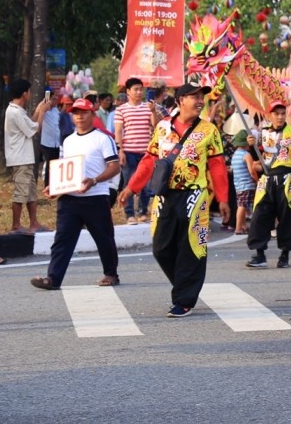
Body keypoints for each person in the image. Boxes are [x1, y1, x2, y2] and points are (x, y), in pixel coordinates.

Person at [118, 83, 230, 317]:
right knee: (161, 247)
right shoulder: (162, 127)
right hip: (165, 195)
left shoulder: (209, 130)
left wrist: (222, 199)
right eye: (194, 97)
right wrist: (131, 187)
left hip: (195, 195)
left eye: (201, 97)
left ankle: (184, 299)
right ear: (180, 100)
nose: (200, 101)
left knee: (192, 248)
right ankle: (183, 285)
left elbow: (217, 166)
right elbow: (149, 160)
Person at [30, 98, 121, 290]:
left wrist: (94, 180)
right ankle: (53, 278)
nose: (79, 116)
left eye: (83, 112)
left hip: (96, 197)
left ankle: (111, 273)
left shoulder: (103, 138)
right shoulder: (68, 140)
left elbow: (114, 166)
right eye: (75, 113)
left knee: (103, 238)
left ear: (92, 115)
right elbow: (64, 169)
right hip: (69, 198)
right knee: (62, 240)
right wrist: (54, 187)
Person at [246, 102, 291, 268]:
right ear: (270, 115)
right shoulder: (262, 133)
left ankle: (284, 255)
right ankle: (260, 254)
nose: (280, 116)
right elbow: (256, 156)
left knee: (288, 217)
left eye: (283, 113)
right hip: (266, 180)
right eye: (277, 113)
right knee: (259, 215)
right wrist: (251, 145)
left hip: (286, 179)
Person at [4, 79, 53, 234]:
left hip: (25, 157)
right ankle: (16, 224)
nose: (30, 94)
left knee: (31, 191)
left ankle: (34, 223)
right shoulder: (15, 112)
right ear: (24, 93)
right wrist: (43, 112)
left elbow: (30, 124)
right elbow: (35, 129)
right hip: (20, 158)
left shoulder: (17, 111)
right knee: (21, 192)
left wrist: (38, 110)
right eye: (29, 91)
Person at [114, 77, 160, 224]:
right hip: (129, 152)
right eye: (136, 89)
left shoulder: (148, 107)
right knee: (129, 183)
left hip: (146, 152)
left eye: (141, 89)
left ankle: (143, 211)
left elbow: (156, 127)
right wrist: (120, 150)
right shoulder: (121, 110)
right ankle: (129, 214)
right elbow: (119, 131)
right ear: (128, 91)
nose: (139, 92)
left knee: (146, 184)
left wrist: (153, 112)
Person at [229, 130, 259, 235]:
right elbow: (252, 170)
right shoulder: (246, 155)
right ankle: (238, 228)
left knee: (242, 205)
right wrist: (257, 181)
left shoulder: (235, 154)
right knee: (242, 206)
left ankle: (244, 226)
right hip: (246, 184)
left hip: (238, 184)